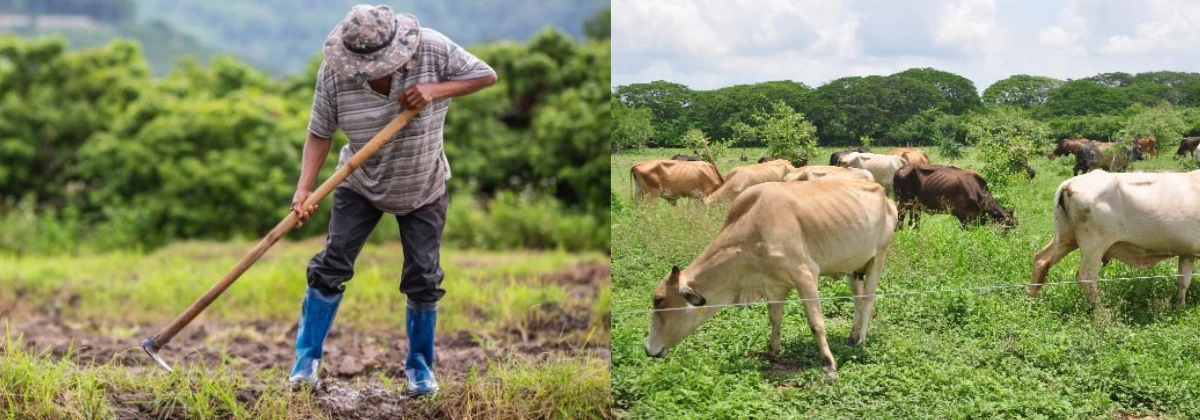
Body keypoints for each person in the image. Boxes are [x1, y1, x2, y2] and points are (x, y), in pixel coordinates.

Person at [287, 4, 497, 398]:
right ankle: (305, 365)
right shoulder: (334, 72)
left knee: (423, 277)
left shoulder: (432, 49)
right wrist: (305, 188)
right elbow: (320, 132)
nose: (368, 72)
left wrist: (434, 90)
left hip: (424, 184)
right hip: (359, 181)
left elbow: (485, 75)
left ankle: (420, 371)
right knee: (330, 265)